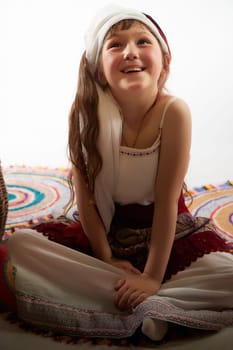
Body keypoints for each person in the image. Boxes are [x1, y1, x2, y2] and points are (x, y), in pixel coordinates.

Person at [1, 4, 233, 342]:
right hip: (107, 235)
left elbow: (168, 202)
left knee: (226, 274)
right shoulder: (85, 114)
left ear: (164, 62)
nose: (130, 52)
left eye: (142, 42)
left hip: (166, 236)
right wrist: (107, 258)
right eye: (115, 44)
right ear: (98, 70)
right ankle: (147, 305)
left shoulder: (174, 112)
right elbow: (88, 200)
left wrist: (152, 276)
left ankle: (145, 300)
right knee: (21, 247)